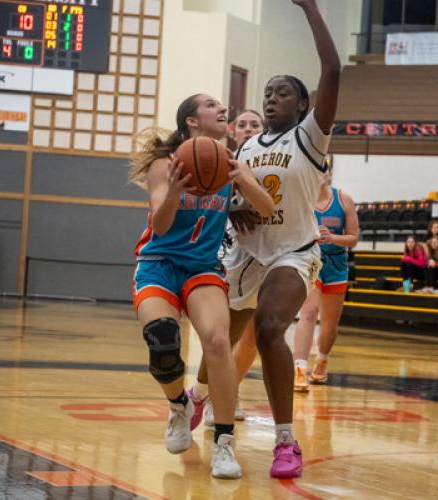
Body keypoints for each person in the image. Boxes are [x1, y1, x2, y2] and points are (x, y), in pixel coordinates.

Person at [191, 0, 340, 479]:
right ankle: (198, 396)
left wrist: (310, 8)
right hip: (245, 255)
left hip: (293, 254)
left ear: (302, 104)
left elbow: (333, 68)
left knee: (271, 327)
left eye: (282, 93)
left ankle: (285, 441)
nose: (271, 99)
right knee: (221, 339)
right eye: (267, 93)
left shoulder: (310, 137)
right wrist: (236, 208)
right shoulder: (248, 147)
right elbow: (230, 200)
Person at [129, 93, 274, 479]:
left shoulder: (229, 163)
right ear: (192, 121)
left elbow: (267, 209)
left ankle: (224, 443)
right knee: (162, 338)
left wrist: (242, 177)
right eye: (211, 105)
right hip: (158, 264)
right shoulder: (167, 164)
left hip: (203, 268)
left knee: (217, 342)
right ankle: (179, 406)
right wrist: (175, 191)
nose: (221, 108)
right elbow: (160, 225)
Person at [188, 109, 265, 427]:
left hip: (272, 253)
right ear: (234, 131)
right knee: (226, 336)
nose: (248, 129)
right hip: (234, 253)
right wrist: (233, 209)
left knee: (256, 339)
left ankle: (225, 390)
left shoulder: (274, 158)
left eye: (255, 124)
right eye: (243, 124)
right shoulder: (221, 159)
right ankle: (207, 393)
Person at [293, 162, 359, 392]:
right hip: (311, 261)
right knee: (309, 312)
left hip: (336, 264)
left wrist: (333, 238)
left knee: (330, 324)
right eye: (316, 169)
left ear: (329, 174)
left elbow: (353, 238)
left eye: (324, 169)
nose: (320, 174)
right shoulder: (302, 199)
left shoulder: (344, 200)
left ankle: (321, 360)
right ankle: (299, 368)